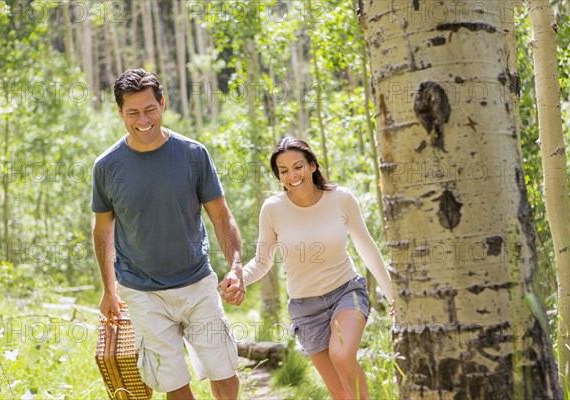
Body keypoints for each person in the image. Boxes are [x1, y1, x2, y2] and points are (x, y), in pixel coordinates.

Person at [91, 69, 245, 400]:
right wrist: (108, 289)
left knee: (224, 371)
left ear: (163, 103)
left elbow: (221, 216)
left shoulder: (193, 154)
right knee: (173, 383)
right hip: (142, 292)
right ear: (120, 112)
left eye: (150, 109)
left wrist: (235, 267)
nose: (143, 119)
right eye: (132, 112)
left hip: (197, 283)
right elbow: (103, 229)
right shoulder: (107, 166)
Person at [220, 136, 395, 399]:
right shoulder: (273, 209)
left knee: (342, 355)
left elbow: (367, 249)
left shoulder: (341, 198)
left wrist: (394, 298)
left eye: (298, 166)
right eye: (284, 171)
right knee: (339, 392)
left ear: (312, 165)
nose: (292, 175)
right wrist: (237, 278)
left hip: (346, 292)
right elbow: (262, 261)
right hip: (305, 308)